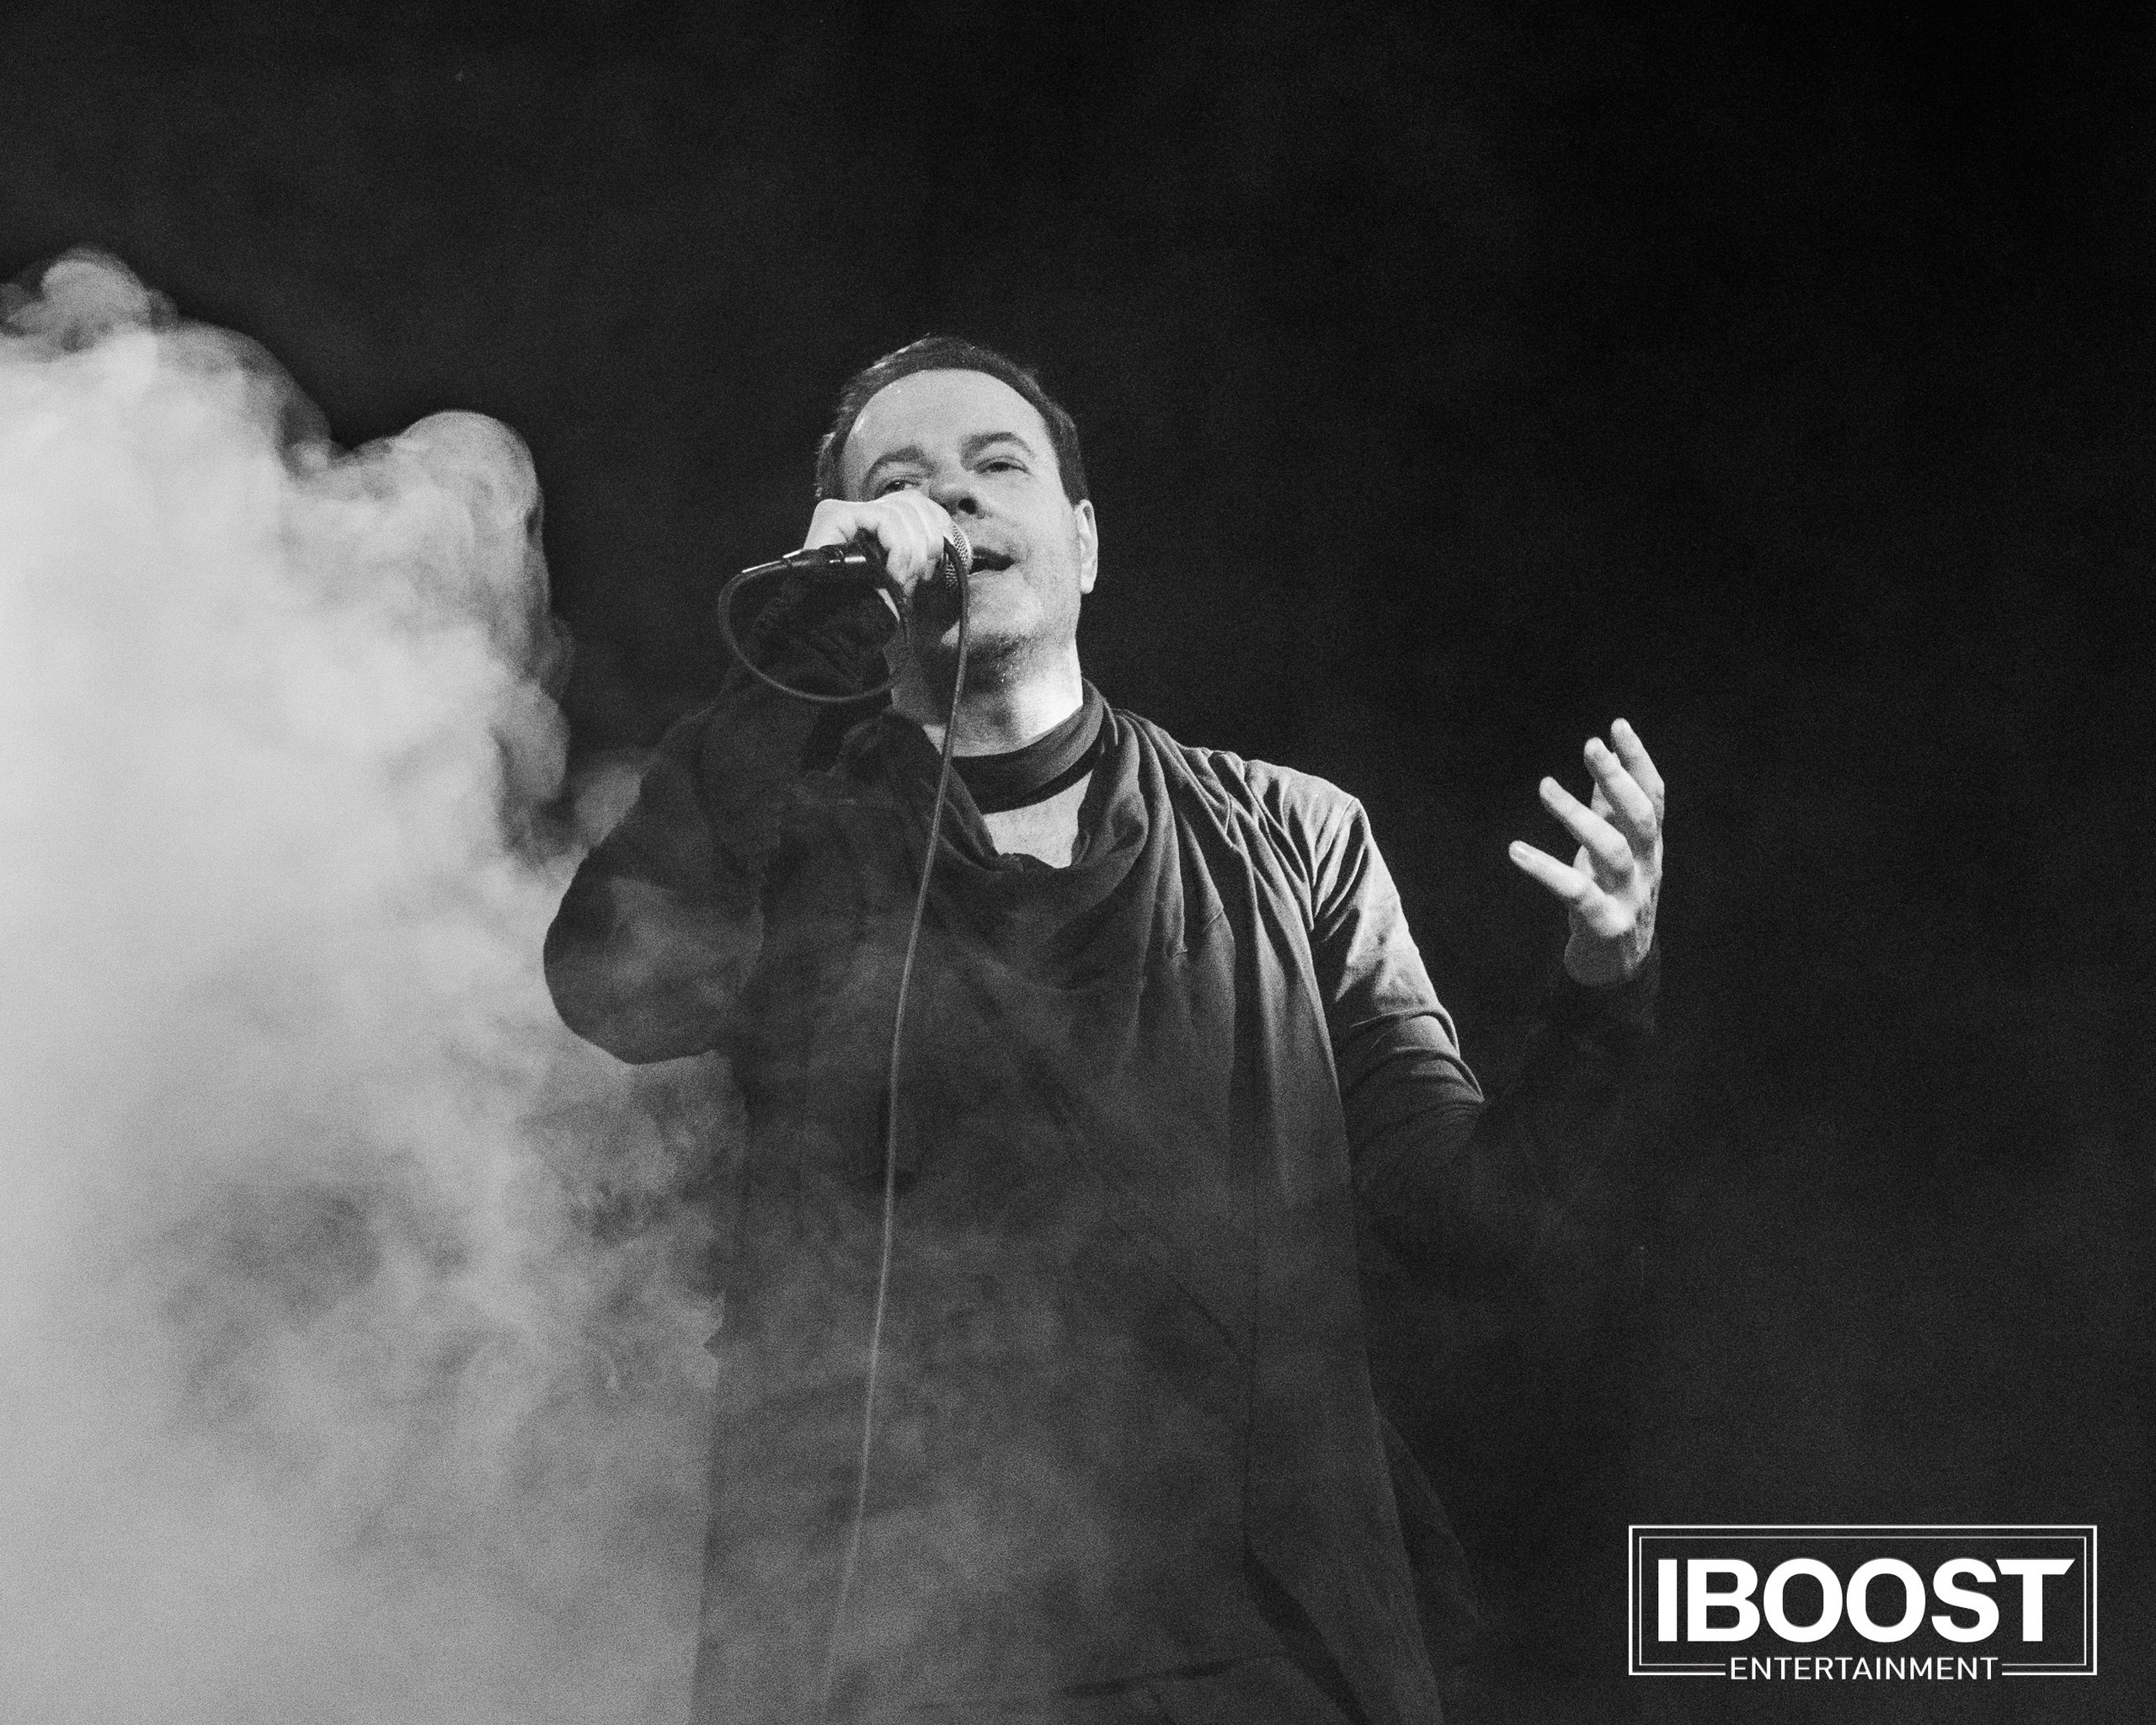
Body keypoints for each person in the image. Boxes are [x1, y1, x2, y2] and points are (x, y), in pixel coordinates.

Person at [544, 337, 1665, 1724]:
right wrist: (796, 653)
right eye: (896, 482)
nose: (946, 502)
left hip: (1261, 1652)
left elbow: (1469, 1209)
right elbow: (614, 985)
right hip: (892, 1653)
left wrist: (1601, 992)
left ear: (1081, 542)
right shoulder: (784, 840)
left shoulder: (1295, 835)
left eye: (993, 466)